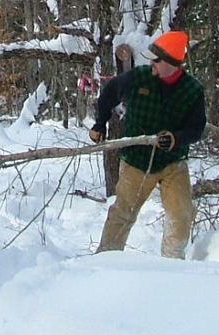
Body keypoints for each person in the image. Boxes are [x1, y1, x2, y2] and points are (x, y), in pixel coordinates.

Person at [88, 31, 206, 259]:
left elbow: (196, 129)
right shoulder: (137, 78)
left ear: (171, 63)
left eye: (156, 59)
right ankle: (106, 261)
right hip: (136, 161)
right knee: (122, 214)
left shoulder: (193, 90)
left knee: (181, 216)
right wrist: (100, 124)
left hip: (173, 163)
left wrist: (176, 140)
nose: (151, 62)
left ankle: (172, 266)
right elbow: (109, 93)